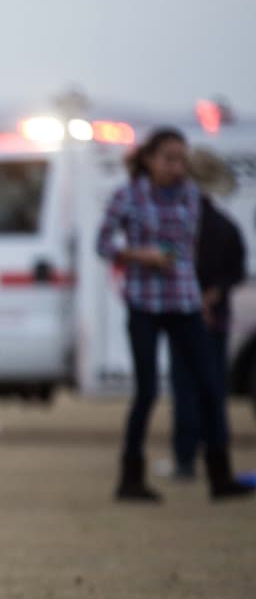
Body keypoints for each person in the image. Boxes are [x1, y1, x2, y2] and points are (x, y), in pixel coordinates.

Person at [96, 127, 250, 502]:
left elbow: (201, 245)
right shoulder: (127, 197)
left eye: (182, 159)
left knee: (211, 385)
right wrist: (139, 255)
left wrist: (209, 294)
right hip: (145, 302)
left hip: (184, 302)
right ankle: (130, 477)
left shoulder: (193, 197)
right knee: (147, 391)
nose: (176, 167)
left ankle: (220, 474)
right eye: (169, 158)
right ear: (149, 159)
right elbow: (103, 243)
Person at [169, 150, 247, 480]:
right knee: (212, 387)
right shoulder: (226, 226)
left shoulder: (179, 225)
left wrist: (199, 297)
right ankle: (217, 457)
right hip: (215, 317)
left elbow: (171, 267)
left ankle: (186, 458)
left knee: (185, 387)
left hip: (187, 315)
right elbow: (237, 271)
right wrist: (215, 294)